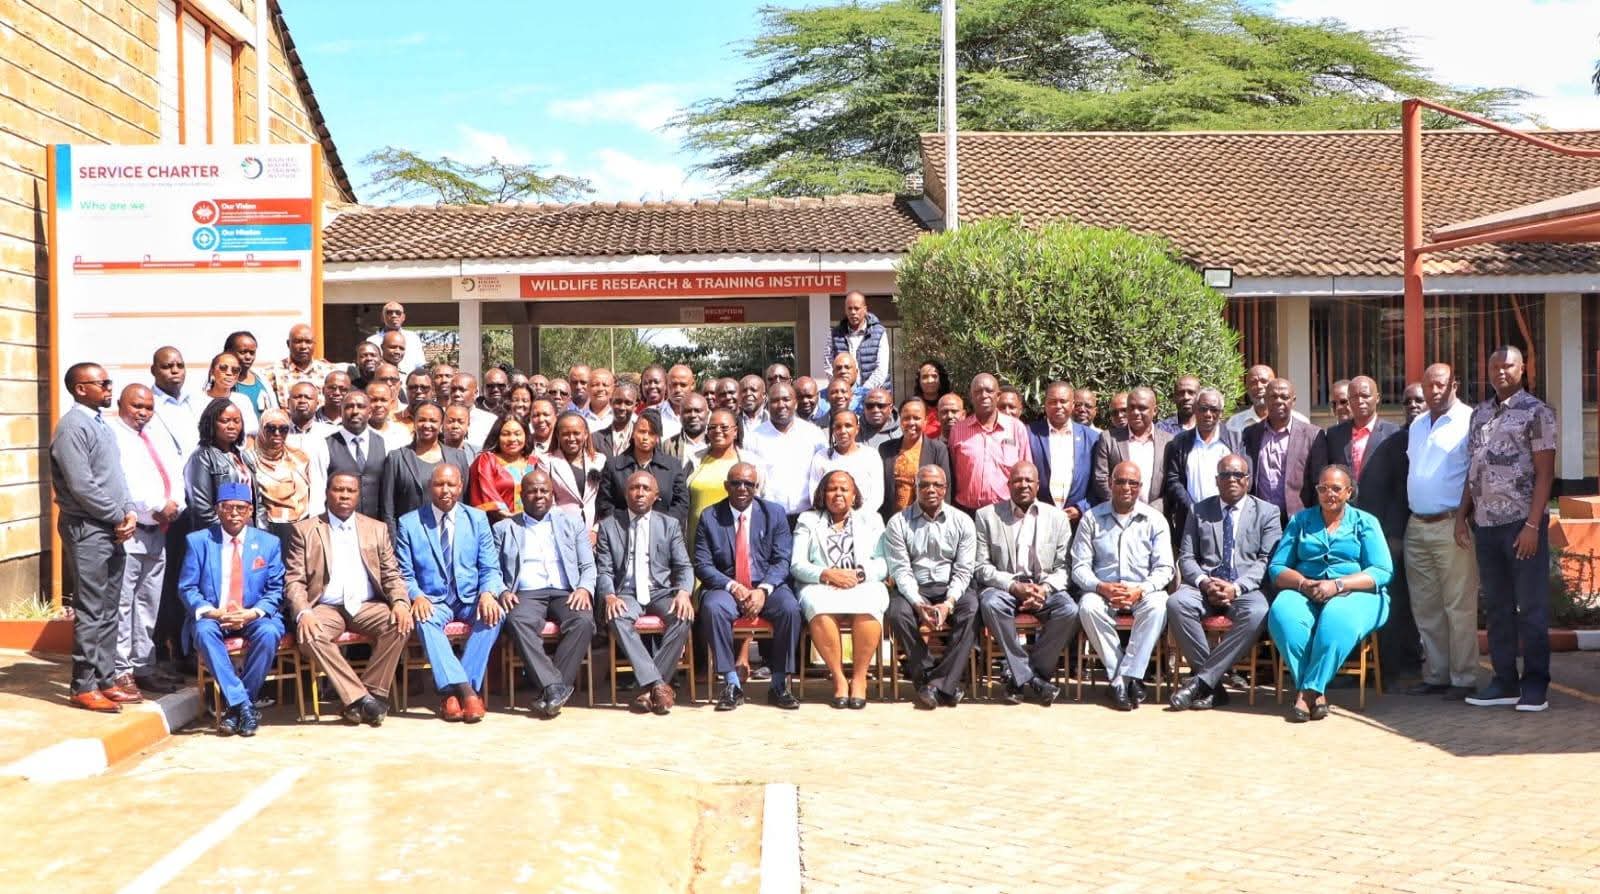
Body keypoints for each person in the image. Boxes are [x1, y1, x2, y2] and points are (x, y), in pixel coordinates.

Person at [1460, 346, 1556, 713]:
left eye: (1508, 365)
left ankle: (1535, 684)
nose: (1501, 371)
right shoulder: (1480, 414)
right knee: (1497, 608)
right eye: (1495, 366)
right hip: (1485, 525)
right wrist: (1461, 517)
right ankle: (1504, 681)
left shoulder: (1537, 412)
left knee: (1530, 608)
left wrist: (1533, 524)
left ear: (1523, 368)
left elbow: (1545, 473)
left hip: (1521, 525)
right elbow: (1474, 470)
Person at [284, 473, 412, 726]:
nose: (344, 495)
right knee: (310, 634)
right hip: (325, 606)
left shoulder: (376, 529)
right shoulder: (305, 530)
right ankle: (362, 700)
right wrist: (304, 612)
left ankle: (368, 694)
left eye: (350, 491)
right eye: (338, 490)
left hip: (367, 606)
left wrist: (399, 602)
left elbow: (391, 574)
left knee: (400, 623)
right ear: (326, 493)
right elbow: (294, 581)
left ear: (357, 495)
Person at [1268, 465, 1393, 723]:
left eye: (1336, 488)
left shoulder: (1365, 522)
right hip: (1307, 588)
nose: (1329, 494)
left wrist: (1337, 585)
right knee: (1283, 614)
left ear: (1349, 491)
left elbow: (1382, 571)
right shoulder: (1301, 521)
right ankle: (1317, 693)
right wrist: (1303, 584)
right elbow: (1277, 568)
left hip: (1356, 592)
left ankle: (1307, 692)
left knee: (1336, 617)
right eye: (1323, 488)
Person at [53, 363, 139, 712]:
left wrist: (129, 509)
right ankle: (83, 685)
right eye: (102, 383)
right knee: (91, 608)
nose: (109, 388)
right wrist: (116, 515)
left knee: (108, 607)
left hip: (112, 527)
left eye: (109, 382)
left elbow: (115, 476)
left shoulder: (100, 424)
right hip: (88, 527)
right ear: (79, 388)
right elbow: (82, 485)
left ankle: (105, 679)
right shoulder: (72, 427)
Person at [1168, 454, 1282, 711]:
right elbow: (1187, 557)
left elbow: (1267, 560)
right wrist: (1205, 583)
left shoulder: (1267, 512)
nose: (1232, 479)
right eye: (1225, 475)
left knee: (1259, 611)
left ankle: (1200, 683)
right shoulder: (1199, 510)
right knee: (1176, 603)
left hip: (1245, 589)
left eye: (1238, 475)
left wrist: (1236, 587)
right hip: (1204, 586)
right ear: (1216, 480)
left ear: (1248, 480)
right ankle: (1213, 687)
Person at [394, 465, 505, 723]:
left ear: (461, 486)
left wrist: (488, 593)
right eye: (439, 485)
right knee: (422, 618)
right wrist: (416, 595)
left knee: (495, 615)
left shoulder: (477, 519)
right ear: (429, 487)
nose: (445, 491)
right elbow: (404, 573)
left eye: (451, 485)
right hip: (433, 600)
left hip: (470, 598)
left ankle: (450, 693)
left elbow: (490, 567)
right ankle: (467, 692)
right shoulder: (409, 523)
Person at [1326, 376, 1415, 684]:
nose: (1359, 401)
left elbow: (1401, 489)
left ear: (1377, 398)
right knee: (1347, 596)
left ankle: (1388, 671)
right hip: (1346, 534)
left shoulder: (1394, 436)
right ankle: (1350, 668)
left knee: (1388, 598)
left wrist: (1395, 535)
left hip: (1384, 534)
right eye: (1354, 396)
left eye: (1366, 395)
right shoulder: (1333, 435)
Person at [178, 483, 285, 736]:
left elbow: (275, 589)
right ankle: (244, 706)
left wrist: (252, 613)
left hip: (251, 615)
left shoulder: (268, 543)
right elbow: (187, 587)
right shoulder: (199, 541)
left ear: (250, 511)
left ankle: (235, 708)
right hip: (215, 615)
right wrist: (213, 611)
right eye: (227, 508)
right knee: (203, 632)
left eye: (240, 508)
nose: (234, 513)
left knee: (269, 632)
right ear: (218, 510)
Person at [695, 462, 802, 711]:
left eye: (749, 484)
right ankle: (731, 684)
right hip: (726, 586)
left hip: (765, 586)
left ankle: (779, 684)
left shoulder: (774, 513)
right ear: (726, 486)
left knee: (790, 609)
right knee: (713, 608)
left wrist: (763, 590)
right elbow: (702, 564)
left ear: (757, 487)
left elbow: (782, 559)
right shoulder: (710, 516)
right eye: (736, 483)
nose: (742, 488)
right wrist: (733, 586)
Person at [493, 470, 597, 718]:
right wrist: (503, 590)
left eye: (544, 490)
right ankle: (554, 688)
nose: (538, 495)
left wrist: (584, 588)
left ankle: (551, 689)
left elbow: (588, 565)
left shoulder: (572, 522)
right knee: (516, 620)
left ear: (552, 494)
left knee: (583, 620)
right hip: (526, 592)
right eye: (532, 490)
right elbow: (492, 569)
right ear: (521, 495)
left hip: (565, 590)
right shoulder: (504, 528)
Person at [1071, 461, 1174, 711]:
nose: (1126, 487)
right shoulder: (1091, 519)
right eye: (1120, 481)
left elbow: (1165, 568)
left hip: (1141, 592)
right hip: (1104, 592)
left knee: (1159, 604)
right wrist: (1100, 587)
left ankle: (1120, 679)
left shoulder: (1154, 520)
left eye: (1133, 483)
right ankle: (1127, 677)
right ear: (1110, 484)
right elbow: (1079, 567)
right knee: (1087, 606)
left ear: (1140, 487)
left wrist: (1142, 589)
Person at [973, 462, 1076, 707]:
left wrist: (1045, 589)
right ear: (1008, 485)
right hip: (1005, 587)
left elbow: (1065, 567)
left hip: (1043, 586)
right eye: (1017, 480)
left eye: (1029, 480)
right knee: (989, 603)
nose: (1023, 485)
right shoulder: (987, 516)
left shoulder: (1057, 518)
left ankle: (1022, 675)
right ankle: (1034, 680)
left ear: (1038, 485)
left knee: (1070, 610)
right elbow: (981, 567)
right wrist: (1012, 586)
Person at [1404, 363, 1478, 699]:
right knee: (1426, 606)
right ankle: (1436, 675)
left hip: (1452, 525)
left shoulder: (1469, 420)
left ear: (1455, 385)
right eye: (1428, 385)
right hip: (1417, 524)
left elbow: (1474, 476)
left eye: (1440, 385)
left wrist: (1463, 517)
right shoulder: (1418, 425)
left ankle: (1463, 679)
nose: (1434, 391)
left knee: (1458, 605)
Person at [107, 384, 185, 698]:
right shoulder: (115, 437)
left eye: (148, 407)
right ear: (121, 404)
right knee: (124, 604)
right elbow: (122, 482)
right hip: (132, 530)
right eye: (137, 406)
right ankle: (121, 670)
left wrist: (176, 504)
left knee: (148, 603)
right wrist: (155, 507)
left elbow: (175, 474)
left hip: (159, 532)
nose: (143, 413)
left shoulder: (154, 436)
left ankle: (143, 666)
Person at [595, 471, 696, 714]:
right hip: (626, 592)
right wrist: (609, 595)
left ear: (655, 495)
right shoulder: (609, 526)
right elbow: (604, 570)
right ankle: (659, 685)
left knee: (683, 616)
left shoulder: (669, 525)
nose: (639, 493)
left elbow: (683, 566)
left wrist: (683, 593)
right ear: (625, 492)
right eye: (634, 488)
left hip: (660, 591)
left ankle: (648, 688)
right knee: (616, 616)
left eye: (645, 489)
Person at [884, 465, 979, 710]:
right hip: (915, 588)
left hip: (950, 586)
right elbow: (900, 570)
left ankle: (932, 685)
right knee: (897, 612)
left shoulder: (963, 521)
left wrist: (949, 603)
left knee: (972, 608)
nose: (931, 490)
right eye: (924, 485)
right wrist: (917, 602)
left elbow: (964, 569)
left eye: (937, 485)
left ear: (945, 489)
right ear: (916, 488)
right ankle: (942, 681)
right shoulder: (898, 522)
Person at [792, 470, 889, 709]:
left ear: (854, 494)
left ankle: (858, 679)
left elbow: (885, 561)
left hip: (861, 582)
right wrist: (826, 574)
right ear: (823, 494)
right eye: (832, 489)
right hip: (821, 584)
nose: (838, 494)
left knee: (871, 604)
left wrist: (860, 574)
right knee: (817, 606)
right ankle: (838, 679)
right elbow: (797, 564)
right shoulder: (808, 520)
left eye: (844, 489)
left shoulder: (872, 519)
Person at [1242, 378, 1328, 524]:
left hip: (1299, 519)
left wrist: (1315, 520)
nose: (1278, 401)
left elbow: (1318, 482)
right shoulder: (1250, 433)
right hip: (1259, 520)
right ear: (1265, 399)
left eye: (1284, 397)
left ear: (1293, 401)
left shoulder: (1312, 435)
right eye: (1273, 396)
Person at [1161, 386, 1240, 544]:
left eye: (1214, 409)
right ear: (1195, 410)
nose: (1208, 414)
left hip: (1227, 517)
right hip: (1190, 519)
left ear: (1221, 413)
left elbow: (1244, 477)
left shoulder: (1236, 440)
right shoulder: (1179, 442)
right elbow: (1173, 479)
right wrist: (1192, 509)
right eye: (1203, 409)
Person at [381, 401, 471, 533]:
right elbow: (388, 509)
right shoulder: (397, 458)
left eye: (433, 421)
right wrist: (394, 544)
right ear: (414, 422)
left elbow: (465, 501)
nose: (427, 425)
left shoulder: (458, 457)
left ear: (441, 425)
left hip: (449, 535)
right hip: (410, 538)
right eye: (422, 420)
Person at [948, 374, 1032, 513]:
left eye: (989, 391)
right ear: (971, 396)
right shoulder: (958, 430)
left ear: (998, 396)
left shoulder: (1016, 428)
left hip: (1005, 511)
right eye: (978, 391)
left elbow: (1026, 470)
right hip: (966, 510)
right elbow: (952, 471)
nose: (983, 395)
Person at [685, 409, 763, 548]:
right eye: (712, 427)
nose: (718, 431)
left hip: (735, 538)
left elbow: (760, 499)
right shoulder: (695, 459)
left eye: (724, 427)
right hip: (697, 538)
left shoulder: (750, 462)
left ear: (735, 431)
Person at [749, 384, 826, 524]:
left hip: (809, 516)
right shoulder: (754, 438)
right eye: (775, 400)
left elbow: (823, 475)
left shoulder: (814, 434)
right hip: (769, 518)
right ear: (767, 404)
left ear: (795, 403)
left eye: (786, 399)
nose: (781, 405)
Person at [599, 409, 690, 525]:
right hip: (622, 532)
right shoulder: (613, 465)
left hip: (662, 535)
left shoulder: (672, 466)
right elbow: (604, 502)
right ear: (633, 433)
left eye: (651, 433)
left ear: (658, 437)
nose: (645, 437)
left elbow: (681, 503)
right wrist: (618, 527)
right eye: (642, 431)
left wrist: (665, 526)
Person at [1090, 386, 1172, 511]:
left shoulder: (1169, 441)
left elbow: (1172, 482)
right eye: (1131, 407)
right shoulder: (1109, 439)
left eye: (1142, 408)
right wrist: (1122, 507)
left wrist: (1154, 510)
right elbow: (1100, 479)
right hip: (1117, 516)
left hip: (1157, 517)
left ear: (1154, 410)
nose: (1135, 412)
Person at [1026, 381, 1095, 521]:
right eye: (1053, 401)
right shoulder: (1029, 433)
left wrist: (1081, 508)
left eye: (1063, 401)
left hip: (1077, 521)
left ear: (1073, 404)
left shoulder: (1092, 438)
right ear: (1045, 404)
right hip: (1038, 517)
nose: (1058, 406)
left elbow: (1098, 483)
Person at [184, 397, 254, 532]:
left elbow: (257, 500)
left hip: (248, 532)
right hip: (219, 536)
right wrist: (231, 533)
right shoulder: (201, 457)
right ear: (211, 423)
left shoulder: (243, 456)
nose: (232, 426)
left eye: (236, 421)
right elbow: (202, 510)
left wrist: (261, 532)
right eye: (225, 421)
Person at [877, 398, 951, 518]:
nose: (911, 422)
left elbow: (945, 488)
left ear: (925, 421)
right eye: (906, 418)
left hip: (927, 520)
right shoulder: (886, 449)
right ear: (900, 420)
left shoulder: (938, 449)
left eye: (916, 418)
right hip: (892, 521)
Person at [246, 409, 315, 538]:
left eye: (283, 429)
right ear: (261, 428)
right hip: (265, 529)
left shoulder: (300, 457)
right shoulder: (249, 459)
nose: (277, 433)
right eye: (271, 428)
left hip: (302, 526)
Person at [806, 410, 885, 519]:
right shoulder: (821, 456)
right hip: (828, 522)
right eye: (838, 427)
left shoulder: (871, 455)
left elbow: (877, 495)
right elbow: (814, 493)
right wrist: (834, 519)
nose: (843, 431)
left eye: (848, 426)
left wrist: (855, 518)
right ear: (833, 430)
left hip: (863, 520)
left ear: (857, 429)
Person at [537, 412, 606, 534]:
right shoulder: (547, 462)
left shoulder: (599, 460)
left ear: (585, 434)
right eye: (565, 434)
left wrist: (596, 531)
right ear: (558, 436)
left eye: (576, 433)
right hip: (560, 530)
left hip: (593, 533)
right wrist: (564, 530)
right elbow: (547, 501)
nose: (571, 438)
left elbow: (605, 500)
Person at [326, 391, 387, 520]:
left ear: (370, 412)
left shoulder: (384, 442)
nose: (355, 411)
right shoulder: (326, 444)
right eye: (349, 407)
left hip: (375, 526)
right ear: (341, 413)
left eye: (361, 406)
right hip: (337, 524)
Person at [468, 415, 537, 524]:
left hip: (533, 526)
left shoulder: (535, 463)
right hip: (497, 527)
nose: (512, 439)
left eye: (517, 434)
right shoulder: (487, 460)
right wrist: (512, 518)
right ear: (497, 437)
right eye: (506, 434)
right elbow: (485, 493)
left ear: (526, 436)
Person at [148, 346, 203, 463]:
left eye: (180, 366)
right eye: (167, 366)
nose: (175, 371)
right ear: (153, 370)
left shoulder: (196, 401)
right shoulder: (146, 404)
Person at [831, 291, 892, 395]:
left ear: (865, 309)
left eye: (856, 308)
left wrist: (862, 392)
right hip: (845, 396)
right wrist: (843, 389)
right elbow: (828, 366)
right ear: (845, 310)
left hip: (875, 397)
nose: (853, 312)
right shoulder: (835, 334)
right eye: (849, 308)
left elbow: (882, 369)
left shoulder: (879, 332)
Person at [265, 323, 335, 408]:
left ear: (314, 344)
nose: (303, 346)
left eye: (308, 342)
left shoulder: (328, 372)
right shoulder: (272, 373)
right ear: (288, 344)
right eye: (298, 342)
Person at [1227, 364, 1308, 438]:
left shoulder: (1300, 422)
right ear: (1247, 389)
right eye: (1253, 383)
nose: (1259, 386)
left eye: (1264, 381)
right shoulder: (1235, 423)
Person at [224, 331, 276, 426]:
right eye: (243, 352)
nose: (248, 357)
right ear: (228, 352)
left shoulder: (262, 380)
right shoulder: (218, 383)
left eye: (252, 353)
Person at [201, 351, 257, 437]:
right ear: (212, 371)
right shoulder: (197, 400)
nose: (229, 373)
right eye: (223, 368)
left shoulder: (243, 400)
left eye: (235, 370)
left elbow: (251, 436)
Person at [365, 301, 425, 372]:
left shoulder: (413, 338)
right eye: (389, 312)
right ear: (382, 317)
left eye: (398, 313)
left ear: (403, 317)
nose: (394, 315)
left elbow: (420, 366)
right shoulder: (372, 341)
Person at [662, 392, 711, 471]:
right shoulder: (668, 445)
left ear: (707, 414)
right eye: (688, 411)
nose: (693, 415)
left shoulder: (715, 443)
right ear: (680, 416)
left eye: (698, 411)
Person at [449, 372, 499, 447]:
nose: (456, 394)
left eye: (462, 390)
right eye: (453, 390)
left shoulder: (491, 421)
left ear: (475, 393)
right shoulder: (442, 419)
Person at [593, 382, 637, 457]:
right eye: (618, 402)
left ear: (635, 406)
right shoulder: (596, 438)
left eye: (628, 403)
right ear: (610, 402)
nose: (622, 407)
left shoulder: (643, 435)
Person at [365, 382, 410, 452]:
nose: (379, 405)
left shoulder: (401, 432)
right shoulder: (357, 432)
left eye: (383, 400)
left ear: (391, 403)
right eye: (373, 400)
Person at [914, 360, 953, 440]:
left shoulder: (952, 404)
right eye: (925, 377)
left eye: (934, 376)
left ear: (941, 379)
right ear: (919, 381)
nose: (929, 381)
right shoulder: (914, 406)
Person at [658, 364, 697, 441]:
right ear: (667, 385)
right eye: (674, 385)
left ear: (692, 385)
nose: (678, 390)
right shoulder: (654, 414)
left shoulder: (705, 416)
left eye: (683, 385)